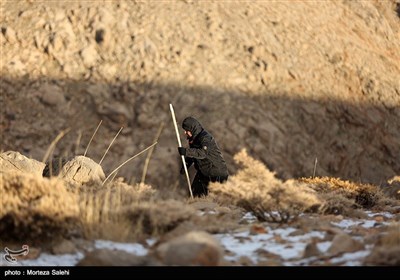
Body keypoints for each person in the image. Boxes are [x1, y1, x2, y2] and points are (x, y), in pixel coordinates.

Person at [177, 116, 229, 197]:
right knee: (194, 195)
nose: (185, 133)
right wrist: (186, 165)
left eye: (186, 130)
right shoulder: (193, 140)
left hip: (216, 173)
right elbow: (193, 155)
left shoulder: (206, 138)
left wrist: (186, 151)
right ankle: (195, 209)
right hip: (203, 172)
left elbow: (202, 153)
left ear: (192, 129)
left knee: (216, 200)